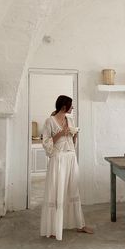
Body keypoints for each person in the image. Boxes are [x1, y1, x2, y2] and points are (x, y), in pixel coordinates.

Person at [40, 95, 93, 240]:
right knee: (56, 191)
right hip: (58, 159)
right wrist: (61, 133)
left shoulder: (70, 120)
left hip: (70, 157)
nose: (73, 107)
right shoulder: (49, 121)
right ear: (64, 106)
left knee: (73, 189)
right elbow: (45, 143)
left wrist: (74, 134)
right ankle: (52, 229)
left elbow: (71, 141)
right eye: (71, 105)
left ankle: (79, 225)